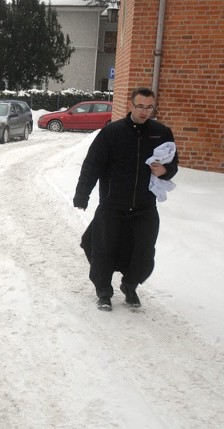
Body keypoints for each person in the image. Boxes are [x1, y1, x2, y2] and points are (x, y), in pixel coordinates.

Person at [73, 87, 179, 311]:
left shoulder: (162, 133)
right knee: (103, 250)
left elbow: (172, 164)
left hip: (144, 206)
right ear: (131, 105)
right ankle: (103, 292)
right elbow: (92, 166)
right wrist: (82, 194)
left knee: (143, 252)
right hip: (113, 205)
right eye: (140, 106)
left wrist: (165, 171)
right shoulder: (112, 133)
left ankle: (130, 285)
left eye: (149, 107)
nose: (144, 111)